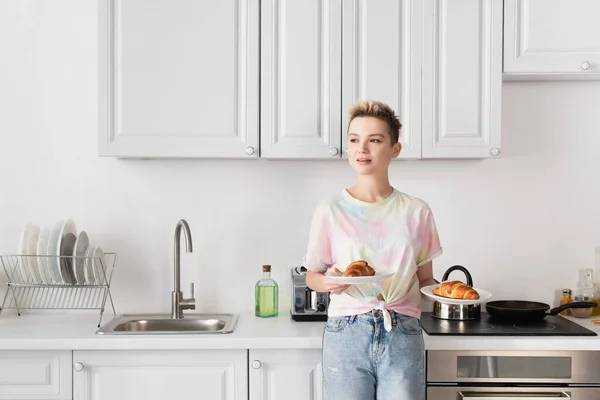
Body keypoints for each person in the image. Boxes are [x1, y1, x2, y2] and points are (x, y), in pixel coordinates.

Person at [303, 101, 441, 400]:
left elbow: (426, 279)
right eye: (354, 140)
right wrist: (328, 282)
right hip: (346, 331)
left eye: (374, 140)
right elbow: (312, 275)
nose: (361, 149)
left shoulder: (417, 211)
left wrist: (447, 295)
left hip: (402, 330)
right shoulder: (330, 209)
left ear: (395, 149)